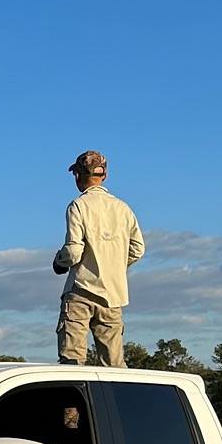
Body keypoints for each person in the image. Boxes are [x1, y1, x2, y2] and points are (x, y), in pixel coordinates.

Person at [52, 149, 144, 367]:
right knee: (114, 367)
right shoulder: (123, 208)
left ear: (78, 176)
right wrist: (115, 264)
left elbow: (74, 252)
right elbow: (138, 249)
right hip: (113, 295)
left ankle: (73, 403)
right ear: (105, 175)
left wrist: (59, 261)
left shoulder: (79, 205)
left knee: (72, 364)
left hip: (81, 291)